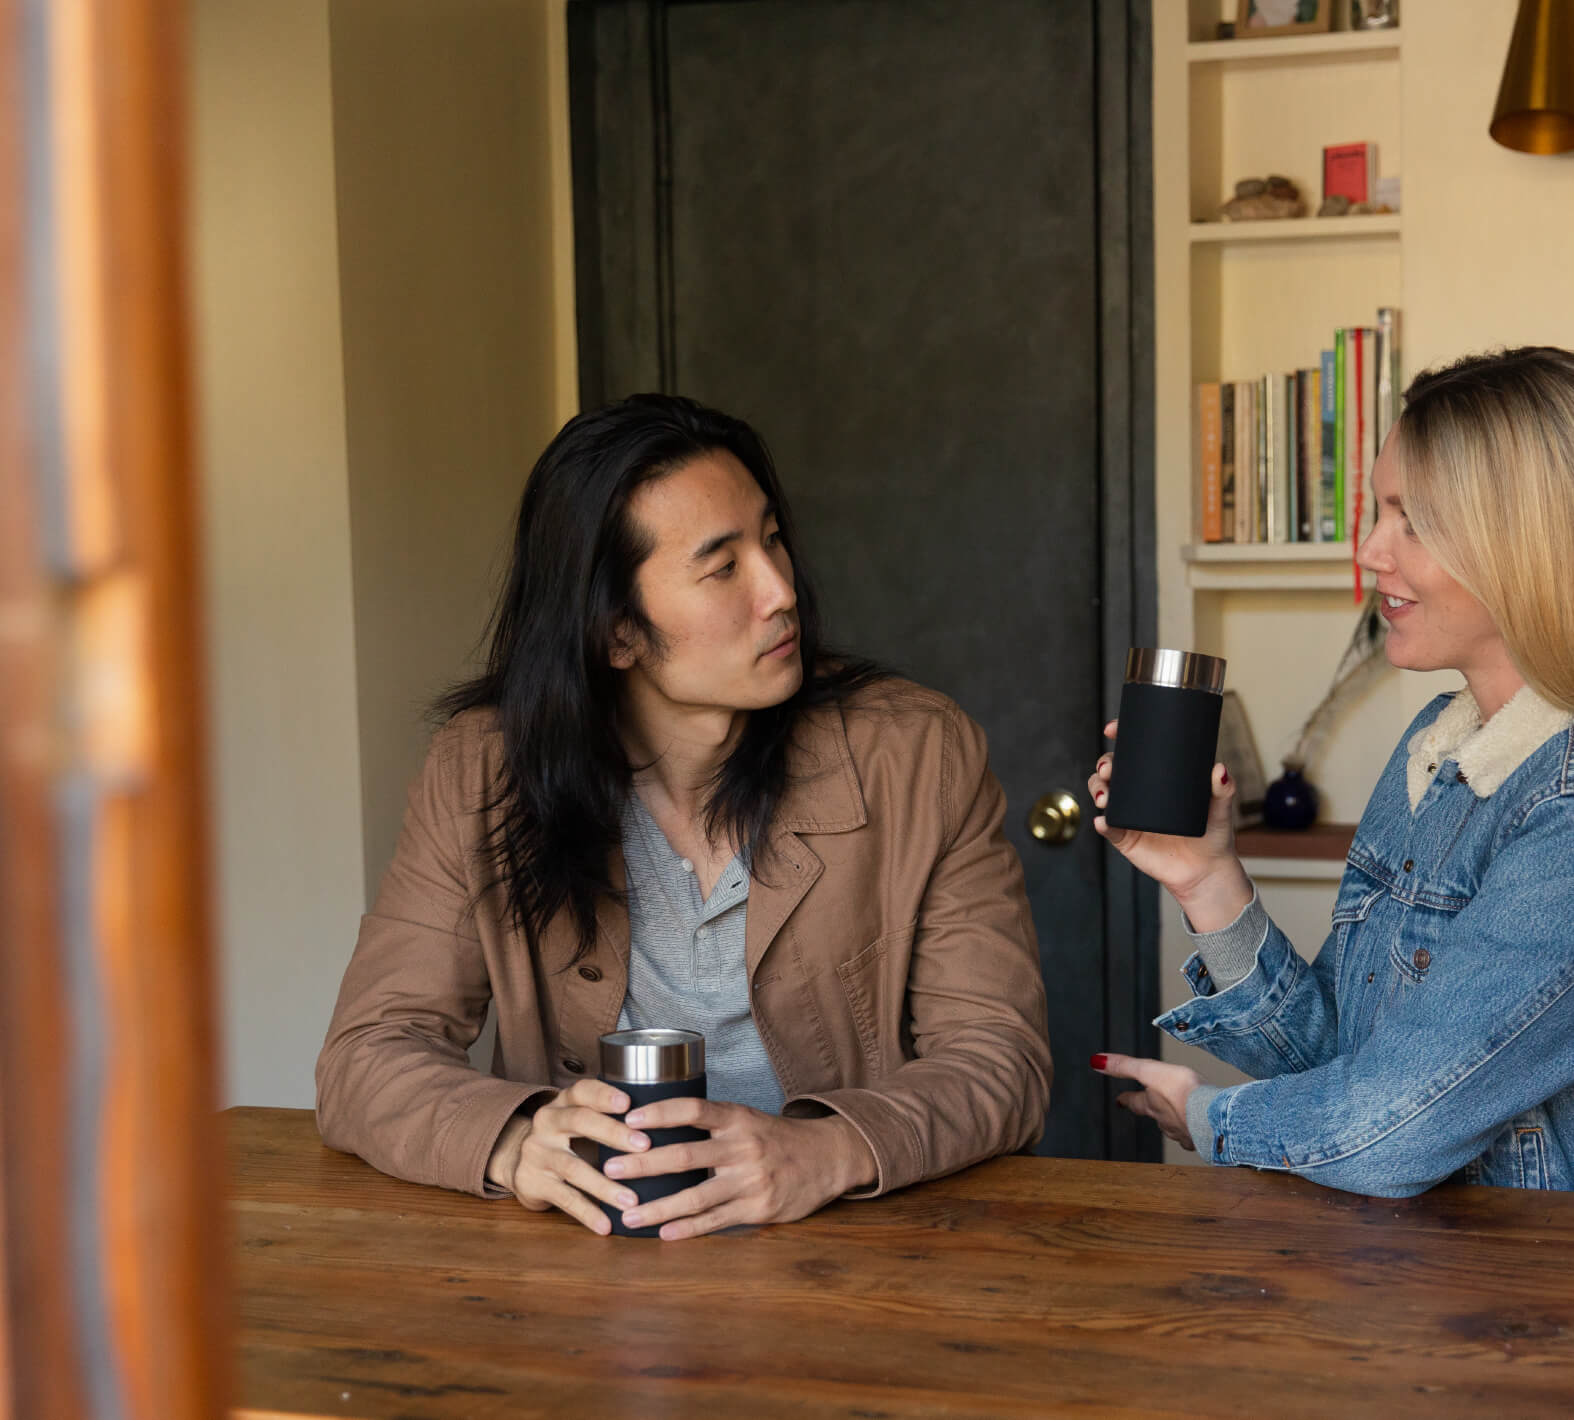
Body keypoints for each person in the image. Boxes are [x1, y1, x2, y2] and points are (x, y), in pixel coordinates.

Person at [316, 393, 1051, 1238]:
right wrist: (516, 1142)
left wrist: (829, 1151)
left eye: (771, 539)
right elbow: (365, 1057)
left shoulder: (918, 755)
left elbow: (1002, 1059)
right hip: (583, 1271)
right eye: (722, 566)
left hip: (849, 1261)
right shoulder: (482, 773)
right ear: (617, 633)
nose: (781, 591)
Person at [1089, 345, 1574, 1196]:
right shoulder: (1439, 747)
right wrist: (1210, 880)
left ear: (1523, 540)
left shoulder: (1563, 803)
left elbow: (1397, 1127)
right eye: (1376, 512)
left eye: (1410, 519)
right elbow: (1351, 1059)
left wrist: (1212, 1121)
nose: (1370, 550)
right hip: (1415, 1285)